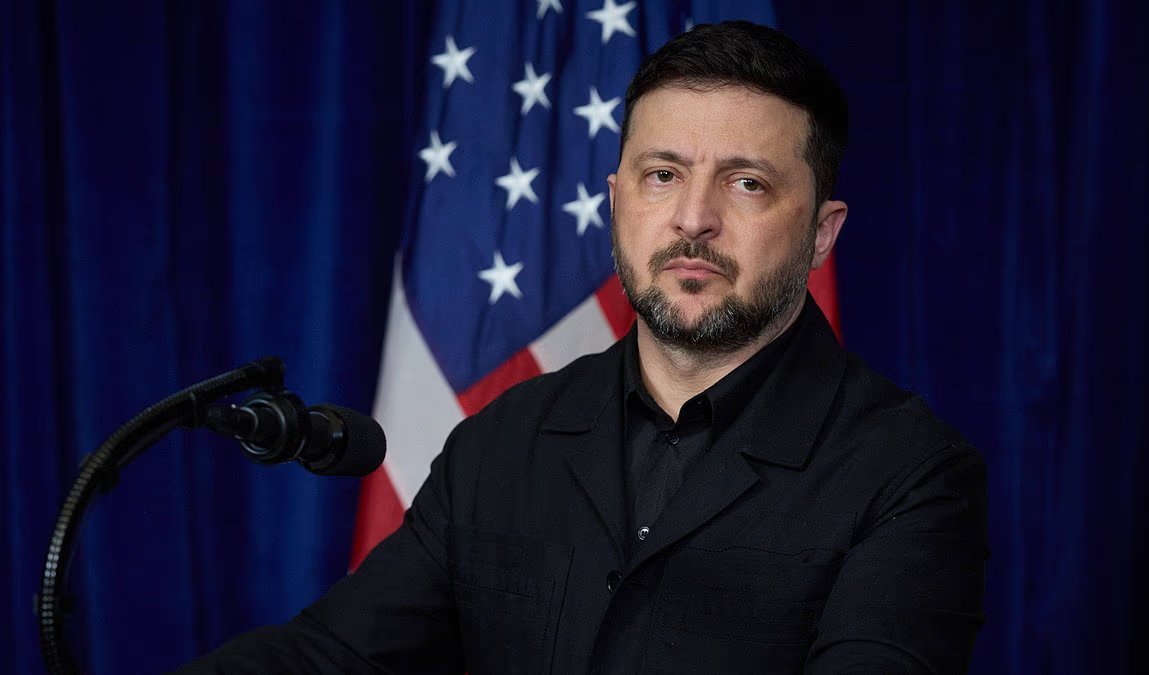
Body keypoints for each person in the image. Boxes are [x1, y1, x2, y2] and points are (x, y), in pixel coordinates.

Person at [184, 20, 987, 674]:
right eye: (662, 174)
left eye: (747, 182)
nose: (693, 218)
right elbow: (333, 656)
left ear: (821, 233)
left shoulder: (909, 474)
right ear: (616, 201)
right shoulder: (502, 440)